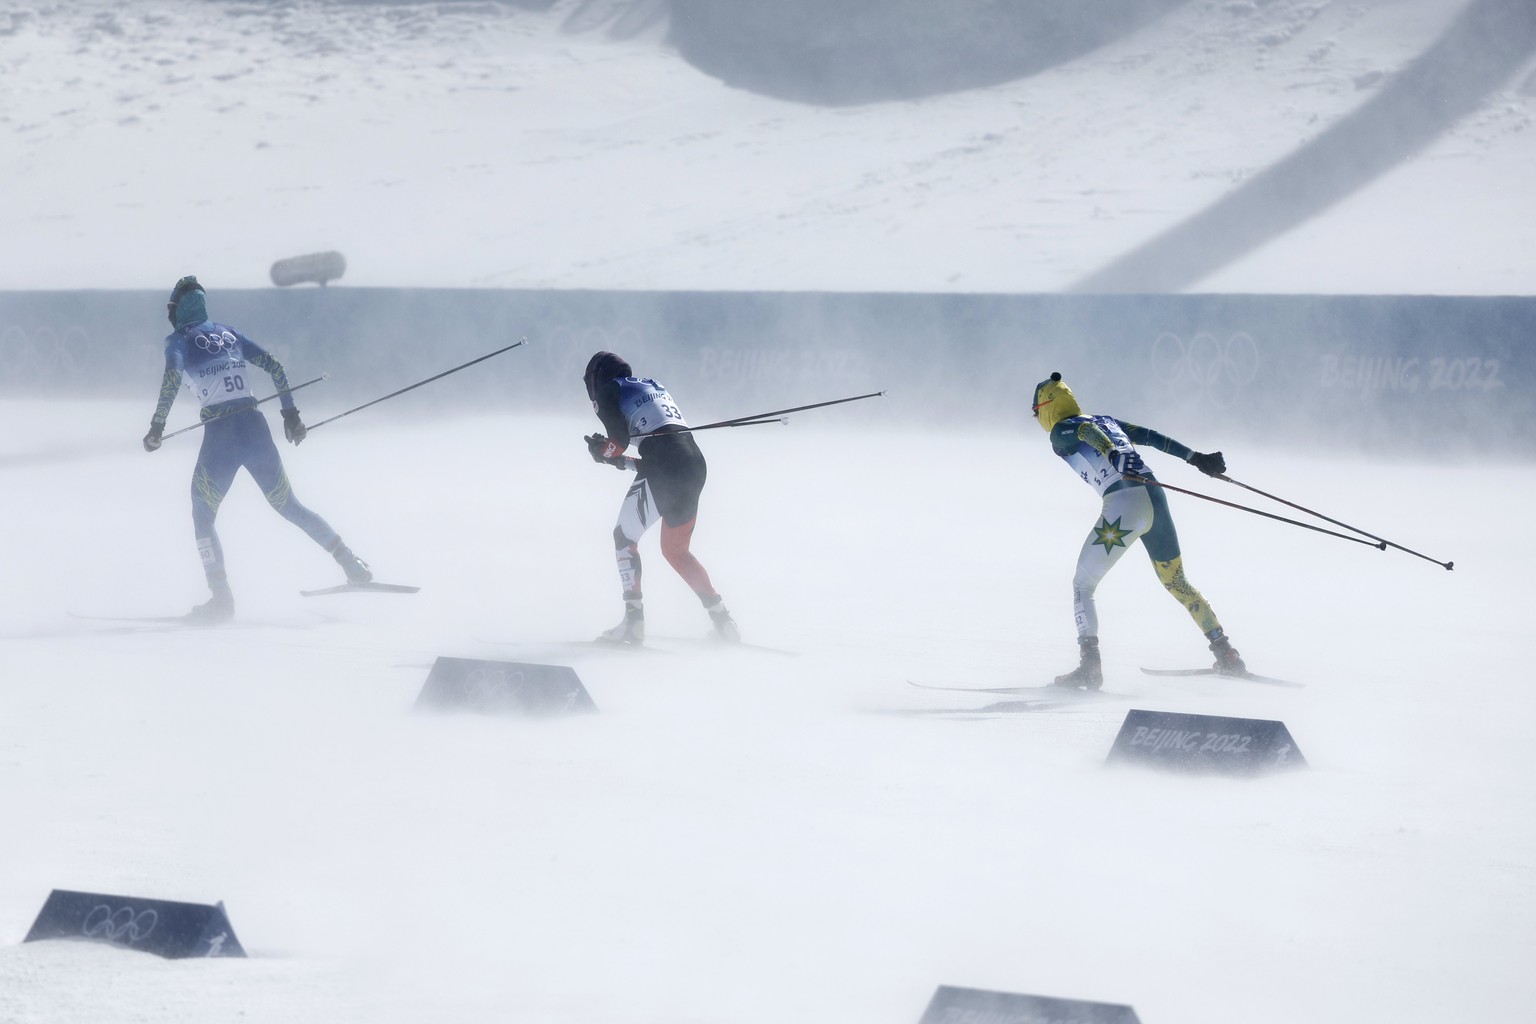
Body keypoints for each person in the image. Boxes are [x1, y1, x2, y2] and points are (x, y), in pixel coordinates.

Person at [141, 276, 372, 621]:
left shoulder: (178, 340)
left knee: (202, 514)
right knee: (290, 506)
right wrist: (291, 416)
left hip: (221, 435)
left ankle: (221, 600)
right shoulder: (229, 333)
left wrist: (157, 426)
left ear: (176, 310)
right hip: (255, 428)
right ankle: (351, 564)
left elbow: (173, 377)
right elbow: (275, 367)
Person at [1031, 371, 1246, 688]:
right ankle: (1227, 654)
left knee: (1082, 585)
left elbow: (1087, 432)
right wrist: (1195, 458)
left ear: (1048, 407)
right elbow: (1150, 436)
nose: (1037, 418)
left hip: (1124, 503)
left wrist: (1110, 452)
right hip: (1155, 496)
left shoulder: (1061, 430)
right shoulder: (1106, 419)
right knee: (1177, 582)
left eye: (1036, 412)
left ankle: (1090, 667)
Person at [582, 351, 739, 645]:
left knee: (623, 537)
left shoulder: (607, 391)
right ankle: (724, 623)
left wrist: (601, 452)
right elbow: (657, 454)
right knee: (677, 552)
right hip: (693, 466)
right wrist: (617, 460)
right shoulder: (652, 385)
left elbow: (618, 442)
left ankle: (633, 625)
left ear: (595, 380)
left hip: (666, 466)